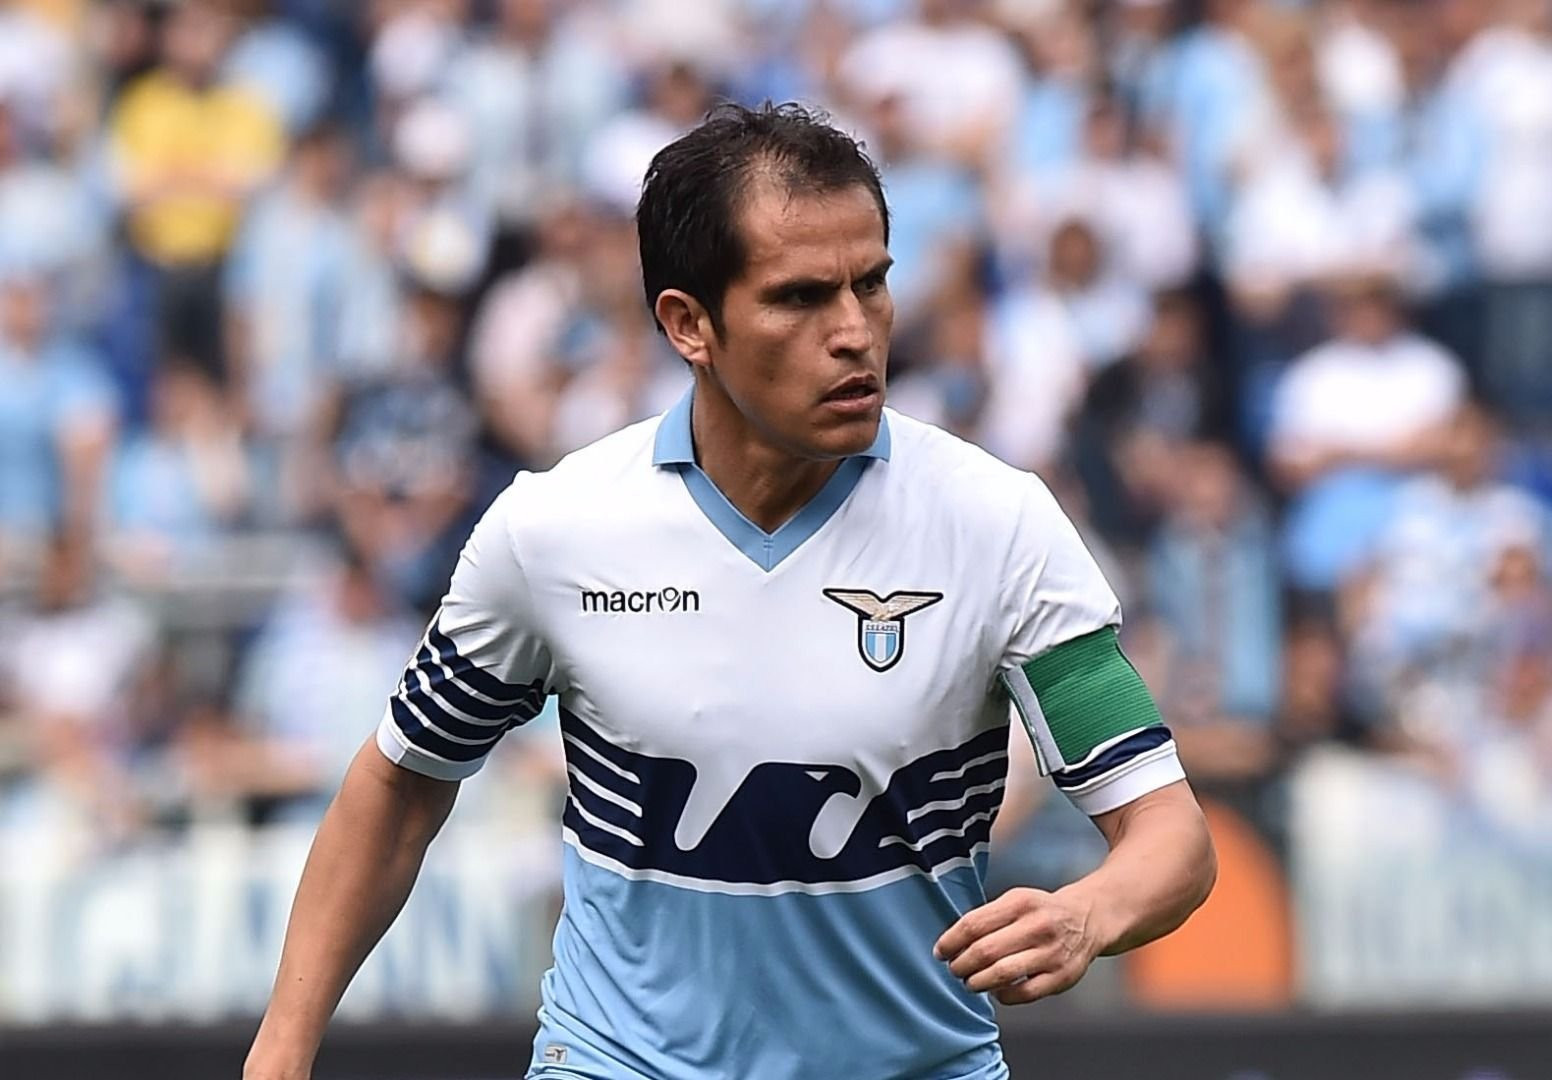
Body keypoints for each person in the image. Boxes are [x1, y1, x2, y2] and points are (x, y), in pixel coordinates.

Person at [245, 103, 1216, 1080]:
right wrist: (279, 1054)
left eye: (872, 284)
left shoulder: (998, 525)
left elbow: (1167, 831)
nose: (854, 332)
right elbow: (402, 782)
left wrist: (1087, 913)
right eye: (800, 297)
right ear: (688, 325)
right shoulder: (555, 529)